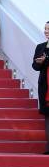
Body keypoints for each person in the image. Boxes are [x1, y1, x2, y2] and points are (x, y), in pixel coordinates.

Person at [32, 21, 49, 154]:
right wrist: (40, 62)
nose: (46, 31)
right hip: (45, 86)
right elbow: (35, 66)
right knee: (47, 117)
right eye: (45, 29)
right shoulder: (40, 47)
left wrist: (46, 60)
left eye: (48, 29)